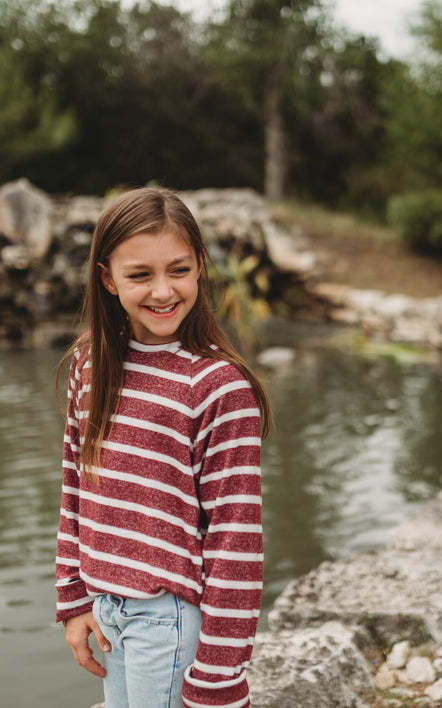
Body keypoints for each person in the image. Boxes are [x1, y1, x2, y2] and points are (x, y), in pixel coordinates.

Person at [54, 187, 272, 708]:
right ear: (107, 279)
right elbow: (75, 486)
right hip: (108, 608)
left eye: (178, 269)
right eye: (139, 275)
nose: (162, 291)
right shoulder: (91, 363)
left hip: (168, 619)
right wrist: (74, 598)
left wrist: (219, 676)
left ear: (200, 266)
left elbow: (235, 541)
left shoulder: (218, 387)